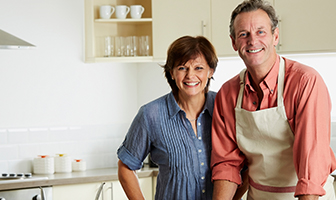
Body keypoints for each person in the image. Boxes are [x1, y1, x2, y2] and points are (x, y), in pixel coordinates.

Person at [211, 0, 336, 200]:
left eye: (261, 32)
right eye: (243, 34)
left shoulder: (305, 82)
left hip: (308, 196)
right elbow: (227, 165)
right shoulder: (228, 94)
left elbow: (311, 163)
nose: (252, 41)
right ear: (234, 42)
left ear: (275, 36)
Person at [117, 35, 218, 200]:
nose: (190, 76)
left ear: (210, 71)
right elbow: (126, 167)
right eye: (182, 68)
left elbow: (244, 165)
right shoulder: (151, 114)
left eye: (198, 68)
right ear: (172, 73)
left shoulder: (224, 107)